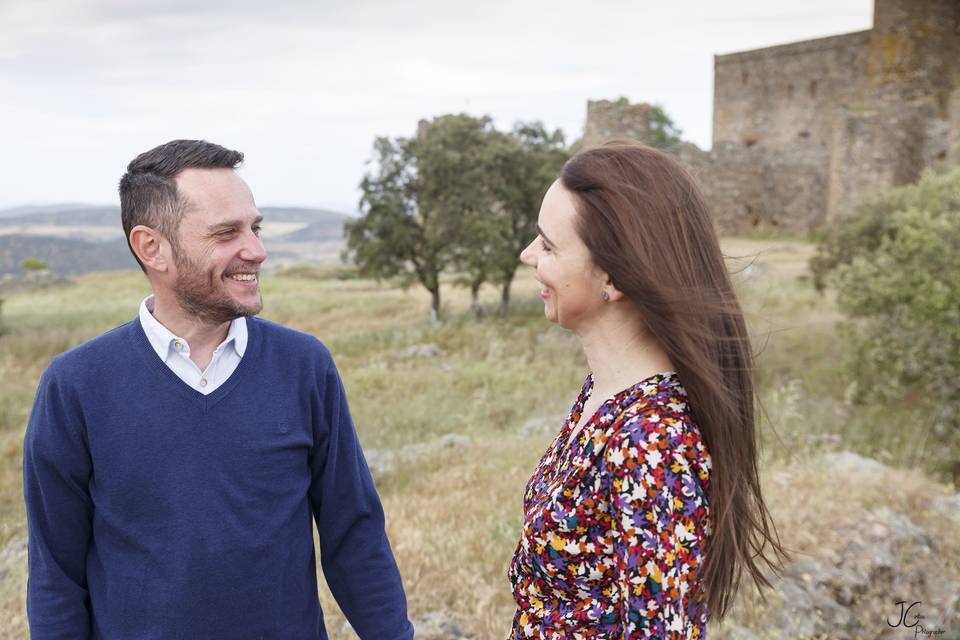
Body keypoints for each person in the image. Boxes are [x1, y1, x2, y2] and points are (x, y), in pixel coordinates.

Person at [23, 139, 414, 639]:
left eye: (255, 227)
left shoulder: (304, 366)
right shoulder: (76, 385)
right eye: (227, 232)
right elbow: (56, 573)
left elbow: (353, 533)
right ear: (152, 248)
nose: (256, 249)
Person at [508, 140, 786, 638]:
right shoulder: (606, 393)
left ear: (612, 274)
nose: (528, 255)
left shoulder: (653, 439)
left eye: (548, 245)